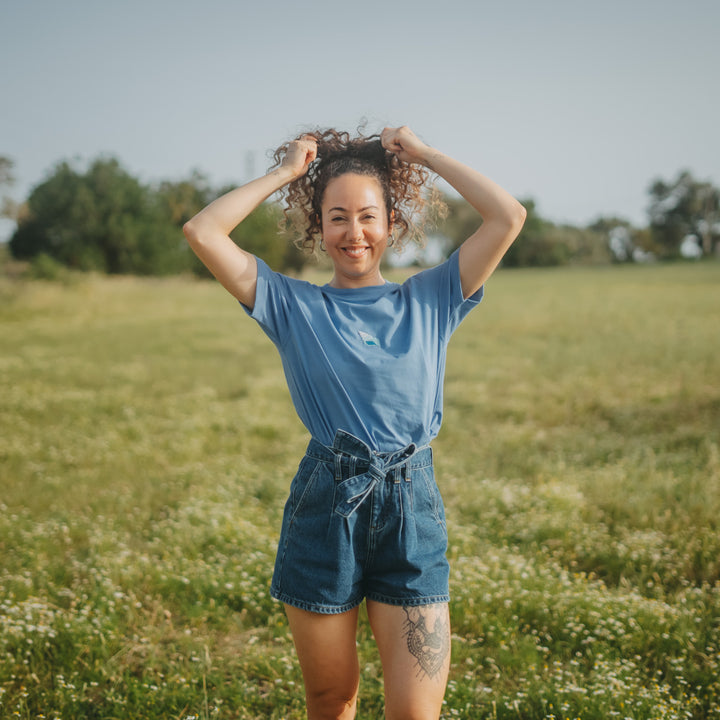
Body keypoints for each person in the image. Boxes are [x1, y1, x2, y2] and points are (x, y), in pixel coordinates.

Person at [183, 125, 526, 720]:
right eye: (336, 217)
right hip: (325, 507)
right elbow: (202, 231)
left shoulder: (433, 297)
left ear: (391, 223)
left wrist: (423, 155)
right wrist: (286, 175)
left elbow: (507, 216)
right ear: (319, 228)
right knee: (331, 700)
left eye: (368, 216)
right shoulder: (293, 306)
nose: (354, 232)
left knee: (416, 713)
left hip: (411, 508)